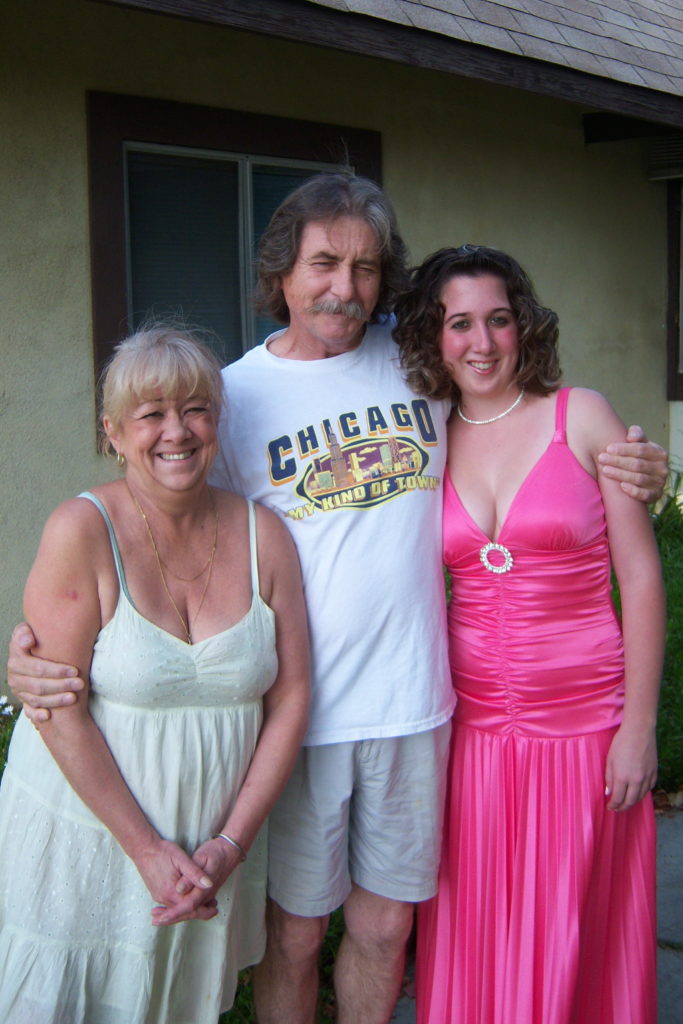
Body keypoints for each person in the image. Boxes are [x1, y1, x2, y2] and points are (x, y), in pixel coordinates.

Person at [6, 176, 669, 1024]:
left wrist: (635, 464)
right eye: (323, 263)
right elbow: (162, 507)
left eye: (363, 267)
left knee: (387, 931)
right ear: (282, 273)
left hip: (419, 709)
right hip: (302, 719)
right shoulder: (237, 395)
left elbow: (521, 417)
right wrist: (45, 646)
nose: (344, 287)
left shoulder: (419, 358)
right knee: (293, 937)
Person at [0, 327, 309, 1023]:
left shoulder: (265, 536)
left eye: (196, 409)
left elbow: (291, 696)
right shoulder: (80, 530)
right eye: (151, 414)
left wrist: (232, 843)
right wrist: (143, 847)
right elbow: (55, 704)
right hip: (85, 837)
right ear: (113, 432)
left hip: (209, 850)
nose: (178, 430)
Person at [394, 244, 664, 1024]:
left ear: (524, 326)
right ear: (432, 336)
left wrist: (637, 728)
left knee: (575, 937)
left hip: (585, 732)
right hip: (472, 740)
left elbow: (640, 580)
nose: (481, 342)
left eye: (498, 320)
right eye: (458, 324)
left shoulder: (579, 414)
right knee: (477, 935)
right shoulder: (429, 436)